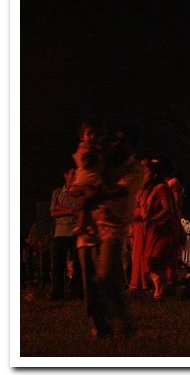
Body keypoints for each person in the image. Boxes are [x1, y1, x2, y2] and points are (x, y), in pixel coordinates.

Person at [77, 124, 144, 339]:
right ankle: (101, 328)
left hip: (113, 230)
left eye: (122, 140)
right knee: (90, 285)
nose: (116, 143)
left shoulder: (135, 170)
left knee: (105, 276)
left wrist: (90, 195)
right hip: (91, 227)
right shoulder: (105, 161)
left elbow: (117, 191)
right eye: (114, 139)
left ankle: (123, 320)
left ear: (132, 146)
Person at [140, 158, 184, 300]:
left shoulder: (162, 188)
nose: (142, 175)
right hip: (155, 230)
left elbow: (168, 208)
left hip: (163, 230)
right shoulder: (150, 190)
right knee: (152, 259)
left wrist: (153, 219)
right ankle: (162, 289)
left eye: (145, 172)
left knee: (156, 259)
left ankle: (161, 290)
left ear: (153, 175)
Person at [49, 164, 83, 300]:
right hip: (61, 232)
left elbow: (80, 211)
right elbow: (52, 212)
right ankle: (57, 293)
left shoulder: (80, 193)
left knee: (78, 265)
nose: (74, 176)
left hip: (75, 232)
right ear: (65, 175)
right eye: (72, 173)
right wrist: (70, 211)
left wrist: (61, 208)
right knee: (57, 264)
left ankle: (76, 292)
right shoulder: (57, 192)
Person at [70, 122, 107, 238]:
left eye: (96, 134)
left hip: (93, 183)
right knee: (82, 201)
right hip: (82, 182)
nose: (93, 137)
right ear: (82, 137)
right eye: (89, 134)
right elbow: (82, 162)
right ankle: (85, 226)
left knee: (86, 203)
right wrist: (90, 153)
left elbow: (103, 166)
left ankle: (86, 226)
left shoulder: (100, 150)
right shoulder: (82, 148)